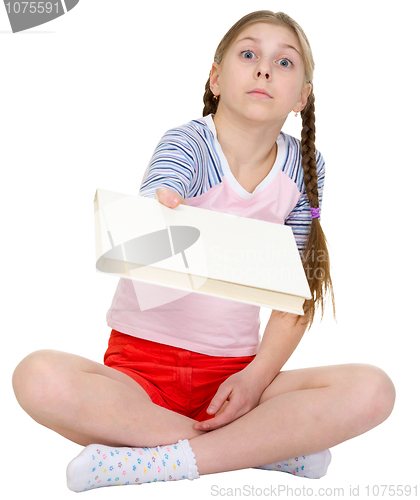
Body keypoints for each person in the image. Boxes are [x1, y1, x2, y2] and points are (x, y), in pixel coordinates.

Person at [12, 10, 395, 492]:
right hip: (139, 377)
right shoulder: (191, 143)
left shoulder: (304, 167)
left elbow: (292, 296)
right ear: (216, 78)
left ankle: (160, 457)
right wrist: (163, 204)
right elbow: (163, 187)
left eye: (284, 62)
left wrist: (255, 382)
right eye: (249, 54)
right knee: (38, 377)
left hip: (236, 380)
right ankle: (256, 450)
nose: (263, 69)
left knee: (373, 390)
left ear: (302, 97)